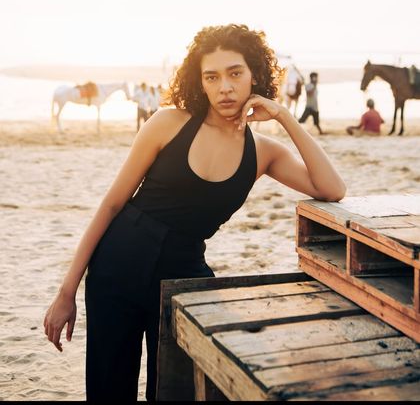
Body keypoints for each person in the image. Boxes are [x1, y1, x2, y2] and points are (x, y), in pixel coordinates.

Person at [43, 24, 346, 402]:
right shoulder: (168, 123)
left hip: (184, 275)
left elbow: (332, 188)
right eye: (212, 77)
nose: (225, 88)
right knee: (109, 388)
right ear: (199, 82)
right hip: (116, 267)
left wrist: (284, 116)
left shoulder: (264, 153)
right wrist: (66, 290)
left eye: (235, 73)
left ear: (255, 74)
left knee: (175, 390)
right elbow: (112, 204)